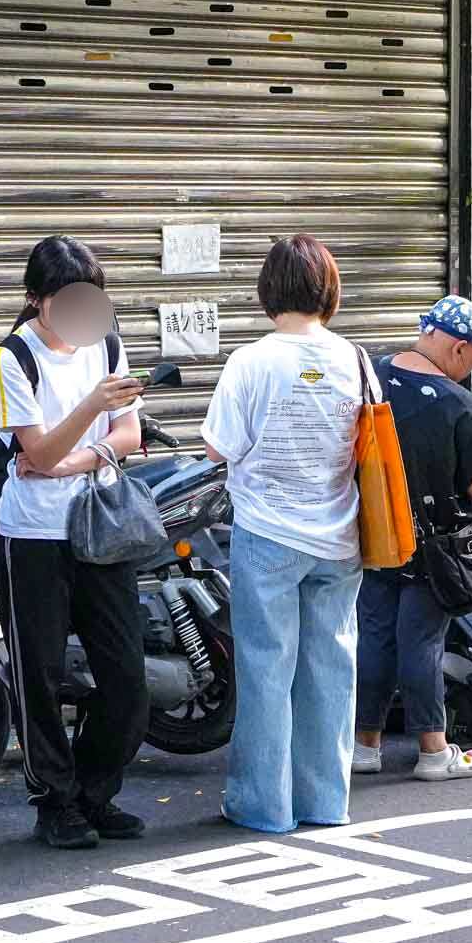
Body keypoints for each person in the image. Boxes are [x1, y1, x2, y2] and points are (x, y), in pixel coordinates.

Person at [0, 236, 147, 850]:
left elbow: (128, 434)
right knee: (41, 676)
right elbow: (36, 451)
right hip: (32, 536)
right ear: (37, 301)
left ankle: (94, 791)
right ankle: (55, 802)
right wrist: (88, 415)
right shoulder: (13, 360)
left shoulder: (107, 343)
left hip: (98, 526)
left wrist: (74, 459)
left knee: (125, 677)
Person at [203, 235, 366, 832]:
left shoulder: (251, 360)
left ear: (268, 290)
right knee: (331, 671)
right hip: (339, 536)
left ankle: (263, 807)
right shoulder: (355, 359)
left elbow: (219, 445)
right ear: (328, 289)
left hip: (268, 534)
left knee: (267, 670)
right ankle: (326, 803)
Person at [354, 297, 472, 780]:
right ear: (457, 347)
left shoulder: (372, 373)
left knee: (376, 638)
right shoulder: (456, 403)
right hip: (435, 548)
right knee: (421, 642)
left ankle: (364, 745)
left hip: (375, 534)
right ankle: (434, 750)